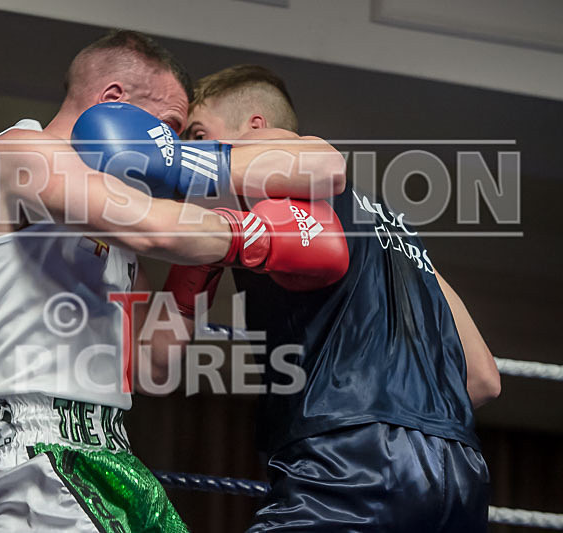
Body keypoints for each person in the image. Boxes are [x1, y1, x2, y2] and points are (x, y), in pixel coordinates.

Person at [0, 31, 345, 532]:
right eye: (169, 129)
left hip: (107, 452)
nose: (173, 149)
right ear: (114, 102)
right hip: (35, 453)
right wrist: (252, 233)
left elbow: (154, 360)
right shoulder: (18, 153)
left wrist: (201, 269)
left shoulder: (115, 228)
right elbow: (152, 228)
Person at [167, 64, 502, 531]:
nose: (191, 151)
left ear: (256, 129)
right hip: (460, 474)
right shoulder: (399, 232)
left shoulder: (268, 186)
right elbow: (484, 378)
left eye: (200, 135)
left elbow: (159, 358)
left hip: (348, 460)